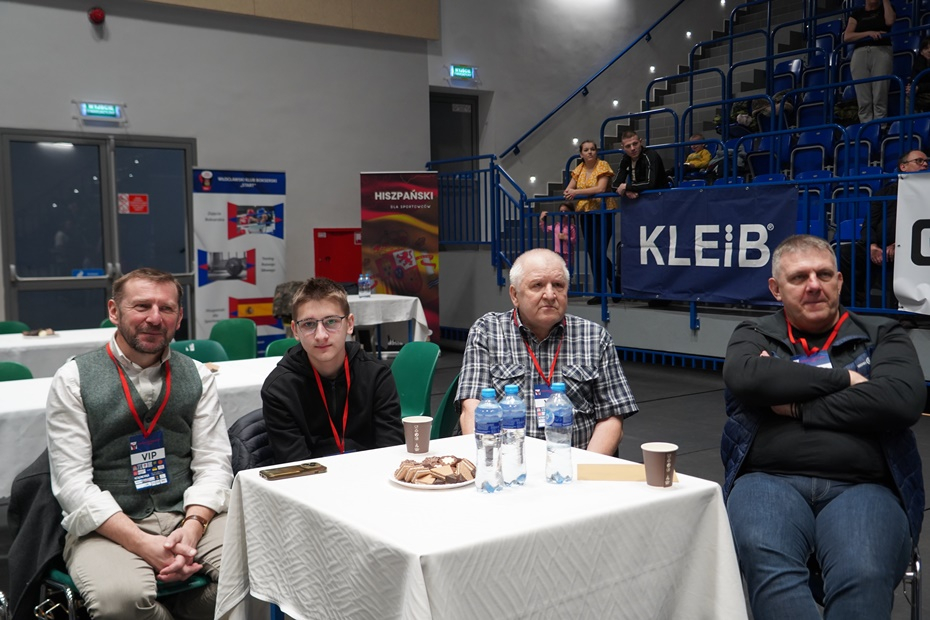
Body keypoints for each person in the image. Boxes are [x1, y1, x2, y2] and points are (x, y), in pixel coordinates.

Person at [721, 235, 924, 620]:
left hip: (866, 485)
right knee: (769, 562)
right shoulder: (755, 332)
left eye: (824, 274)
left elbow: (900, 400)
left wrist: (795, 403)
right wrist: (847, 381)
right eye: (799, 277)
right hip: (768, 480)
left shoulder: (882, 333)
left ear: (839, 281)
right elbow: (747, 377)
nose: (814, 285)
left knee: (863, 572)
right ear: (776, 289)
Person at [46, 268, 232, 620]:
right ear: (114, 311)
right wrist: (144, 545)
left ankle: (182, 608)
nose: (155, 318)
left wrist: (192, 527)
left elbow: (214, 464)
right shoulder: (72, 379)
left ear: (179, 317)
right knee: (119, 601)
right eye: (142, 306)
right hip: (108, 523)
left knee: (261, 572)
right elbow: (73, 485)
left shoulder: (199, 376)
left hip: (187, 512)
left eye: (167, 308)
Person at [456, 248, 638, 455]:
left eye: (558, 285)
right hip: (507, 461)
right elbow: (471, 407)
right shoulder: (488, 331)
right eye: (537, 285)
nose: (550, 295)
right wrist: (487, 463)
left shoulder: (594, 337)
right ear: (515, 295)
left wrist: (585, 468)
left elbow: (612, 417)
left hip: (574, 462)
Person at [261, 277, 404, 462]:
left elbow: (390, 452)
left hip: (370, 475)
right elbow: (295, 466)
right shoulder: (279, 389)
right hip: (309, 479)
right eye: (309, 324)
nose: (321, 335)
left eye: (331, 322)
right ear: (295, 330)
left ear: (349, 324)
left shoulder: (377, 376)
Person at [840, 150, 928, 308]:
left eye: (926, 161)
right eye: (919, 161)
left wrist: (899, 244)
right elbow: (869, 223)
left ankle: (904, 310)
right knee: (845, 253)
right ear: (903, 167)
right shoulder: (885, 192)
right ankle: (851, 304)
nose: (925, 164)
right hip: (878, 246)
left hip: (912, 246)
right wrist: (872, 246)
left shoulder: (927, 194)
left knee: (909, 258)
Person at [563, 140, 617, 304]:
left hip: (603, 212)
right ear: (581, 154)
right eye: (586, 150)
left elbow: (600, 188)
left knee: (599, 251)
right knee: (592, 252)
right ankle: (601, 291)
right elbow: (568, 191)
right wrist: (575, 192)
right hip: (586, 214)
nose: (590, 152)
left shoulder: (603, 165)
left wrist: (577, 192)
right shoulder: (578, 169)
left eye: (592, 149)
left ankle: (614, 281)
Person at [843, 0, 895, 123]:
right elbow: (847, 36)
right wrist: (869, 33)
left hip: (881, 50)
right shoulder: (857, 14)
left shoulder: (885, 8)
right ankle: (865, 125)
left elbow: (890, 21)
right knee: (862, 93)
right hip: (860, 52)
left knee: (880, 90)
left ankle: (880, 125)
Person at [613, 130, 669, 199]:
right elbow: (615, 185)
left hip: (660, 196)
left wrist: (626, 187)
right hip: (641, 198)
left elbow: (650, 184)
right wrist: (627, 191)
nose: (632, 148)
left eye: (635, 144)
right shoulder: (626, 159)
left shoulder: (651, 155)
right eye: (628, 146)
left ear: (640, 142)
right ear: (623, 148)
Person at [539, 201, 578, 274]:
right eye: (561, 212)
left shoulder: (572, 227)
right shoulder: (556, 225)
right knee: (557, 272)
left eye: (565, 212)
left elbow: (575, 240)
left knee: (567, 274)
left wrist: (566, 237)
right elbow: (545, 229)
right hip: (557, 253)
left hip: (568, 255)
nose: (563, 214)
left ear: (571, 214)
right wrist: (541, 219)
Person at [907, 37, 930, 113]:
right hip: (922, 94)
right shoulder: (918, 62)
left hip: (925, 92)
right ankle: (910, 120)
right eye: (926, 48)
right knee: (908, 96)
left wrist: (919, 87)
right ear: (921, 52)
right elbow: (913, 78)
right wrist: (911, 86)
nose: (929, 51)